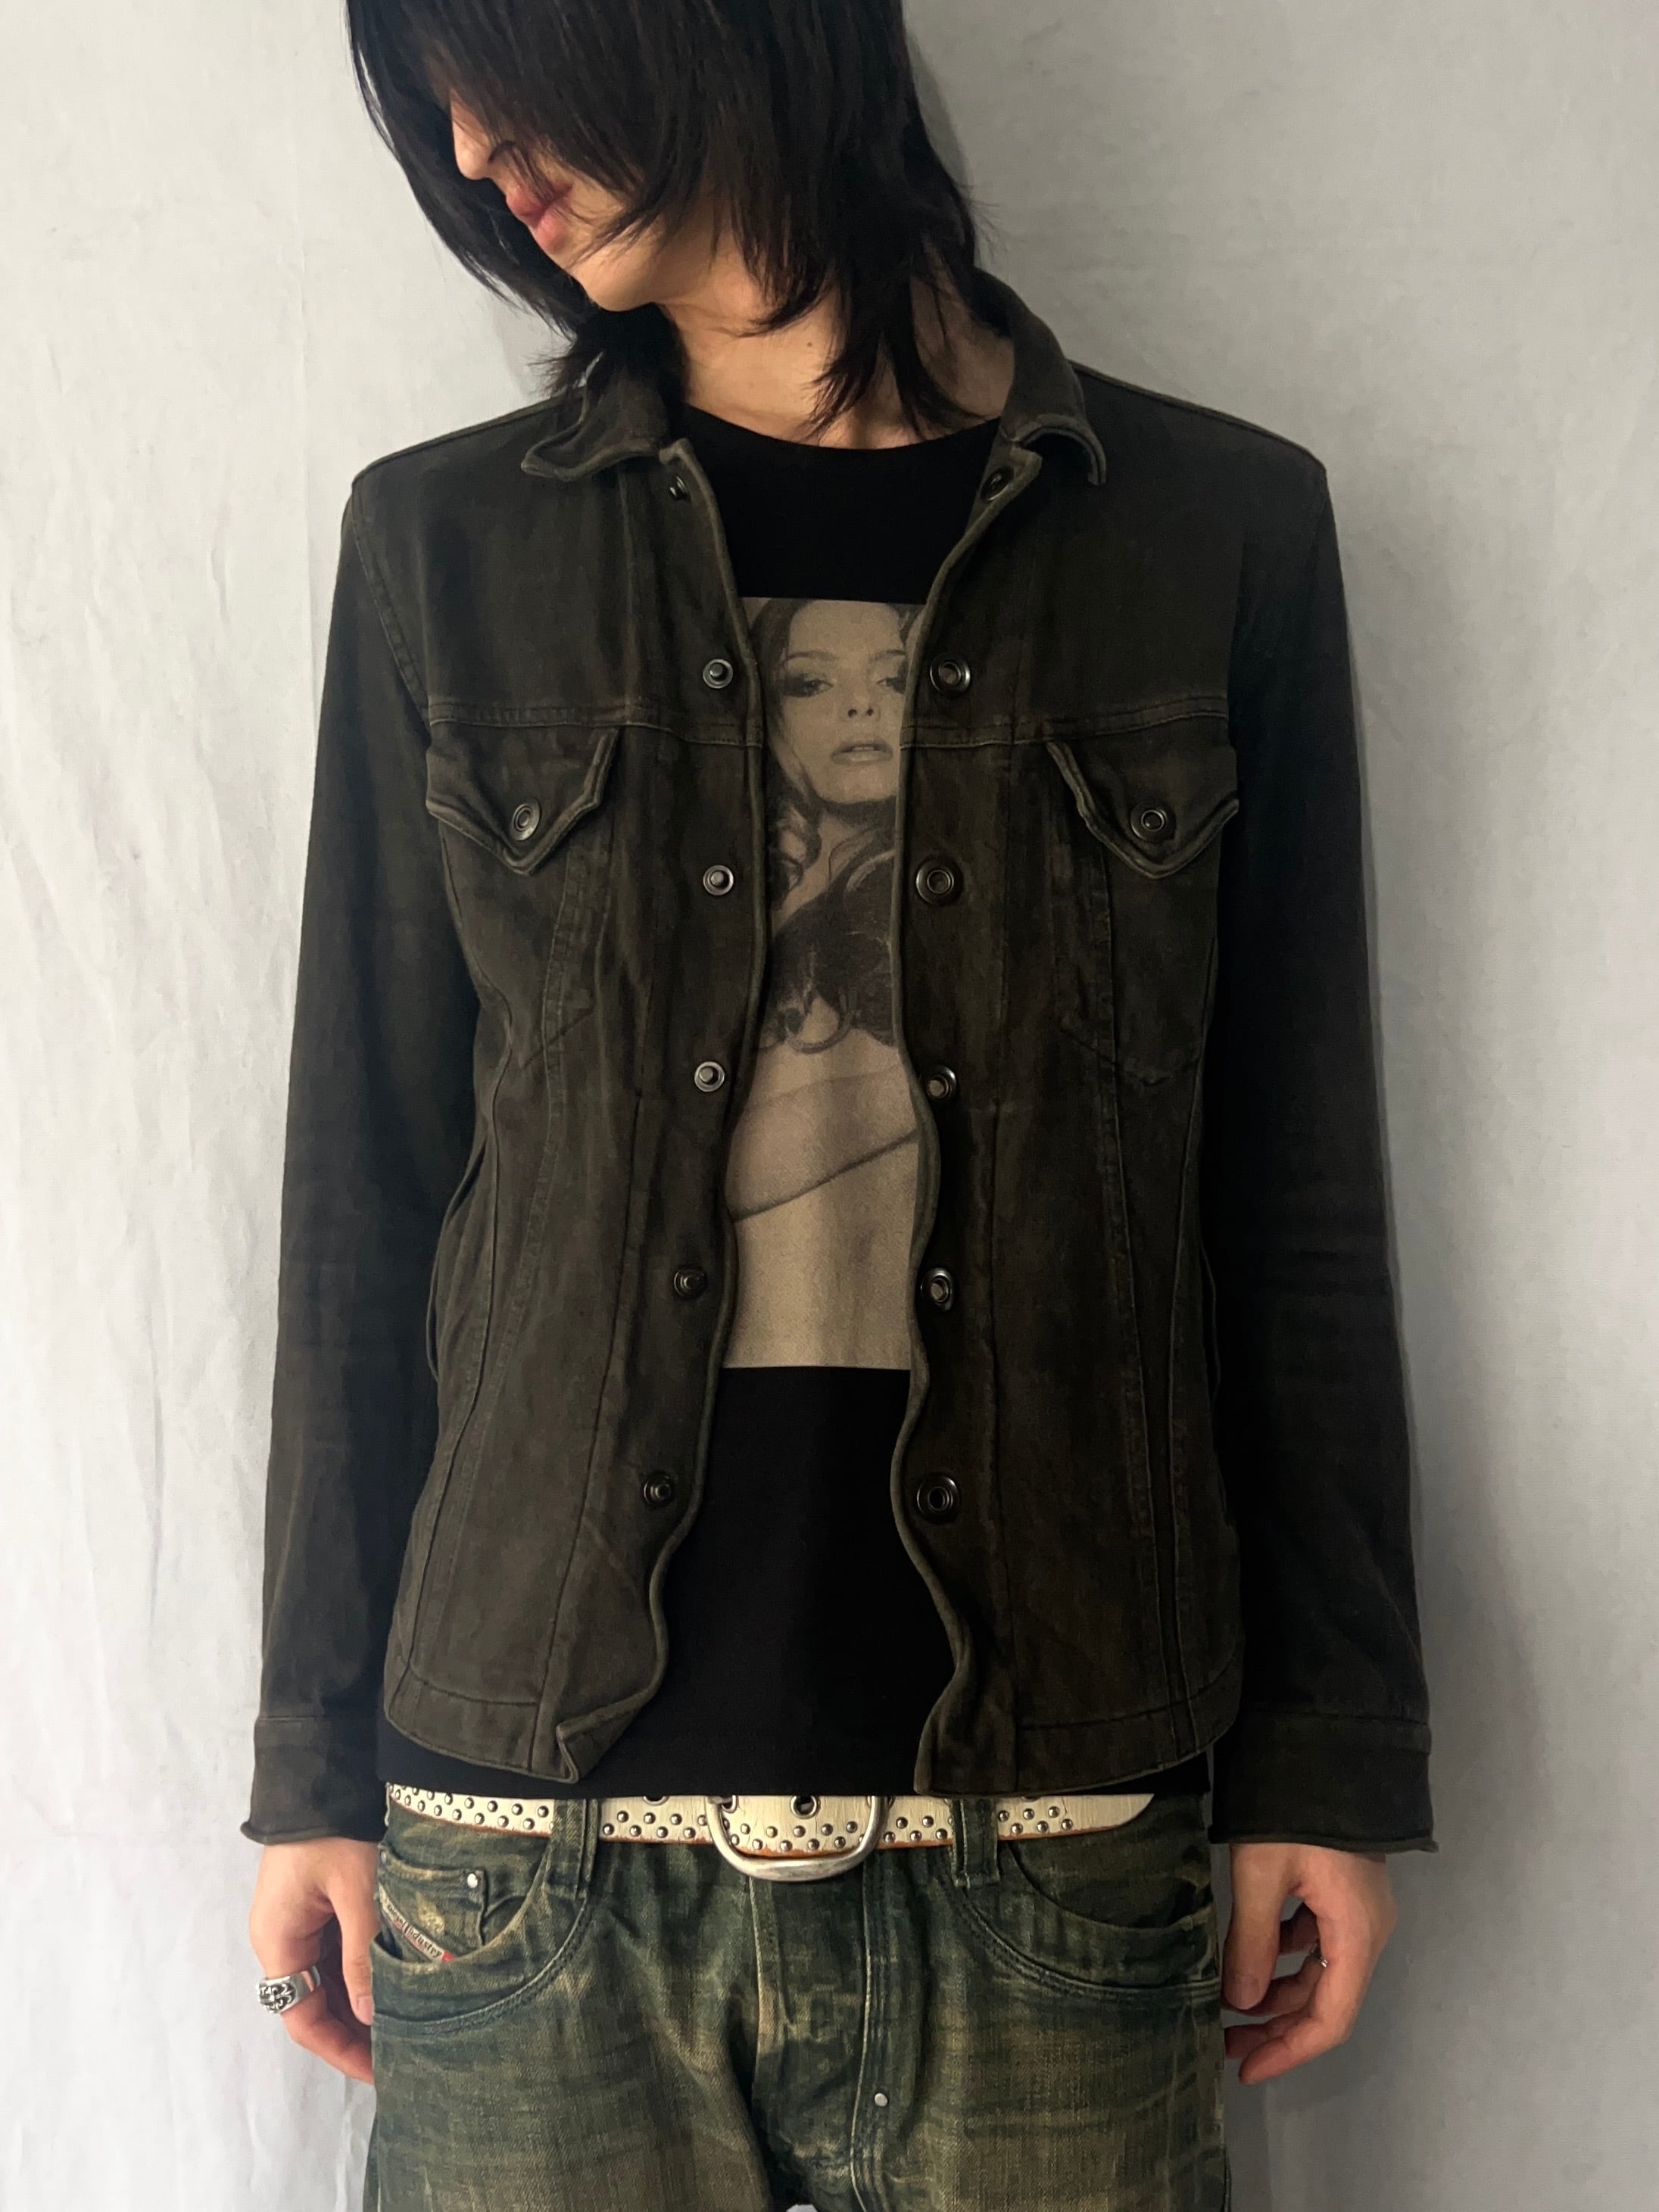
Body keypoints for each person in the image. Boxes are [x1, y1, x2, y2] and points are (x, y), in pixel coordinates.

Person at [243, 1, 1433, 2204]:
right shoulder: (442, 549)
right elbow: (368, 1187)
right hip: (527, 1851)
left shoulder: (1215, 533)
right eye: (432, 100)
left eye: (499, 55)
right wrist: (312, 1756)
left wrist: (1330, 1754)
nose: (475, 146)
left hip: (1059, 1819)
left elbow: (1291, 1201)